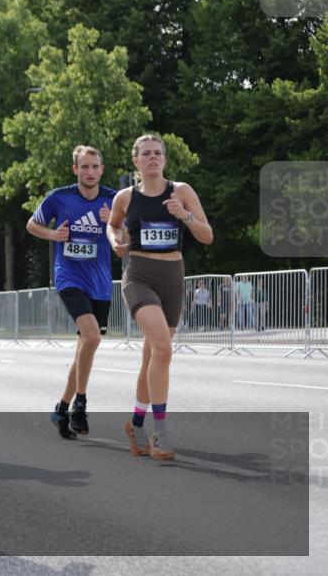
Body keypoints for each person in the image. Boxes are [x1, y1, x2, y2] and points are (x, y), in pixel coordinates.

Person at [107, 134, 213, 461]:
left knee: (152, 355)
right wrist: (115, 241)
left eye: (158, 153)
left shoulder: (181, 192)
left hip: (172, 278)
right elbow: (113, 226)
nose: (153, 158)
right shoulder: (125, 198)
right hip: (139, 276)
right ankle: (159, 433)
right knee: (164, 350)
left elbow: (207, 236)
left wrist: (184, 215)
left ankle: (136, 424)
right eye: (146, 154)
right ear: (135, 161)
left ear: (164, 160)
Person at [26, 146, 116, 440]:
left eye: (95, 167)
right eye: (85, 167)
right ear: (75, 169)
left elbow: (126, 238)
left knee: (84, 348)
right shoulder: (59, 197)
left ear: (102, 169)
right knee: (91, 337)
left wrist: (114, 222)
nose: (90, 172)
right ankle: (80, 403)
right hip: (69, 277)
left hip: (100, 283)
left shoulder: (114, 200)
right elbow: (32, 224)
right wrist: (53, 235)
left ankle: (61, 408)